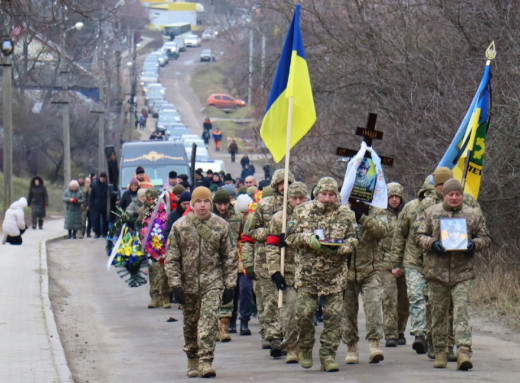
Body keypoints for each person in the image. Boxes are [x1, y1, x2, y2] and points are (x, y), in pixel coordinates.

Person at [413, 178, 491, 370]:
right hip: (436, 272)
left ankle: (463, 351)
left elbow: (486, 237)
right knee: (439, 313)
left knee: (461, 311)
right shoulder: (431, 213)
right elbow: (417, 236)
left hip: (462, 272)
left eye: (458, 194)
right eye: (451, 194)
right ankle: (440, 351)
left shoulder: (472, 215)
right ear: (444, 195)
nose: (454, 198)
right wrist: (432, 244)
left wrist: (474, 244)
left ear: (462, 195)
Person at [285, 177, 358, 372]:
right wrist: (307, 238)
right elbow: (290, 238)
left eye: (331, 195)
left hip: (335, 276)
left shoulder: (345, 214)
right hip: (308, 275)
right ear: (317, 194)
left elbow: (354, 238)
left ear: (336, 196)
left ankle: (327, 354)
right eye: (323, 194)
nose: (327, 199)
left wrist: (343, 247)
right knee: (304, 313)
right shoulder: (302, 211)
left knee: (334, 316)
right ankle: (306, 346)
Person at [164, 187, 238, 378]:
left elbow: (230, 257)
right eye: (199, 201)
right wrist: (175, 284)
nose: (203, 205)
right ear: (192, 204)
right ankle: (192, 357)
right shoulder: (180, 226)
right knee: (190, 324)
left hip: (212, 281)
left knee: (208, 321)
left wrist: (230, 284)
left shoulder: (221, 226)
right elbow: (171, 258)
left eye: (206, 201)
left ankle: (206, 360)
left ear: (210, 203)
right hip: (187, 284)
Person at [242, 169, 294, 357]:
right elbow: (249, 233)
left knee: (287, 302)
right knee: (269, 301)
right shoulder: (264, 205)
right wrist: (270, 235)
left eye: (288, 183)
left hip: (290, 262)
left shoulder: (297, 205)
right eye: (281, 184)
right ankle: (273, 337)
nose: (284, 187)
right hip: (265, 261)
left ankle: (286, 336)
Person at [389, 175, 434, 355]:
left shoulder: (445, 210)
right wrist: (396, 262)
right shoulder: (411, 208)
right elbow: (400, 235)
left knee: (431, 301)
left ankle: (432, 335)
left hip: (436, 262)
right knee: (415, 297)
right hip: (413, 261)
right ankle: (419, 334)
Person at [265, 182, 308, 363]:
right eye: (294, 198)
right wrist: (275, 271)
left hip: (308, 274)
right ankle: (291, 346)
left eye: (301, 198)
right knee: (289, 311)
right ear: (287, 199)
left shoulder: (312, 217)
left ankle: (305, 346)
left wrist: (292, 240)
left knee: (305, 313)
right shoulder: (279, 219)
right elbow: (271, 246)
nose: (297, 202)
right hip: (288, 273)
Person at [342, 199, 387, 365]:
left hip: (371, 269)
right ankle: (351, 347)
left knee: (373, 305)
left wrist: (362, 217)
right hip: (346, 271)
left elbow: (383, 231)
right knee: (348, 311)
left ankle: (374, 345)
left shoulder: (377, 210)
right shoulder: (341, 209)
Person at [377, 182, 409, 347]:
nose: (394, 200)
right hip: (385, 263)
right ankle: (390, 333)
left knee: (404, 300)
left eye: (397, 197)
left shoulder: (406, 214)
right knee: (389, 297)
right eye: (391, 197)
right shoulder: (379, 214)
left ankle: (400, 330)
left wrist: (403, 265)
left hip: (405, 262)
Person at [212, 189, 244, 342]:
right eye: (219, 204)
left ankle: (224, 327)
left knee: (228, 294)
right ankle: (213, 328)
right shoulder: (208, 218)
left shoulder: (237, 218)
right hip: (211, 262)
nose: (222, 208)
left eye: (225, 204)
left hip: (231, 261)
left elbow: (244, 238)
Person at [89, 172, 109, 238]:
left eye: (104, 178)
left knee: (105, 220)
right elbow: (91, 196)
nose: (103, 179)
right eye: (102, 178)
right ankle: (97, 233)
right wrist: (90, 205)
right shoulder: (95, 185)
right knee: (96, 220)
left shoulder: (107, 185)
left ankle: (104, 233)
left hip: (104, 205)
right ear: (100, 177)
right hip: (96, 205)